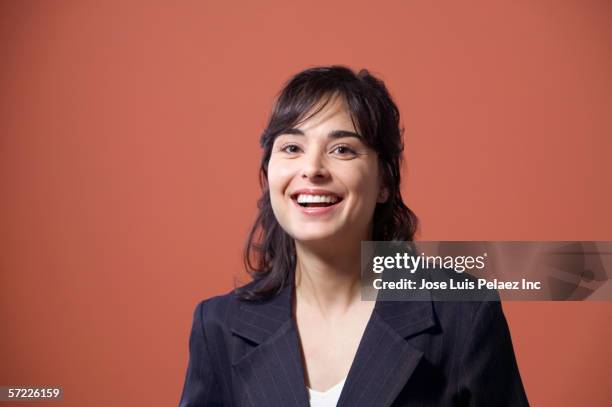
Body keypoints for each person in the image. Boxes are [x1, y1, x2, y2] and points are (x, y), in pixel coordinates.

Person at [178, 66, 529, 406]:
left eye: (342, 149)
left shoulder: (464, 314)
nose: (312, 168)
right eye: (291, 148)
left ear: (385, 183)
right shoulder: (218, 327)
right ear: (268, 172)